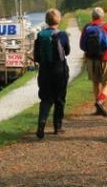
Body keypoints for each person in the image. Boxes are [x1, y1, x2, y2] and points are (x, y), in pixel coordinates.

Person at [33, 8, 70, 139]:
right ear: (58, 20)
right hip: (60, 70)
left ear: (46, 20)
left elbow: (36, 56)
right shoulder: (62, 35)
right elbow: (67, 51)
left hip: (44, 71)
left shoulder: (40, 35)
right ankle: (57, 126)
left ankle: (42, 122)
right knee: (60, 98)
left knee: (45, 98)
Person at [80, 7, 107, 117]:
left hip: (91, 59)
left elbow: (82, 45)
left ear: (92, 16)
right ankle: (100, 101)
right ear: (102, 16)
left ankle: (98, 108)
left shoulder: (87, 27)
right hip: (106, 58)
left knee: (96, 82)